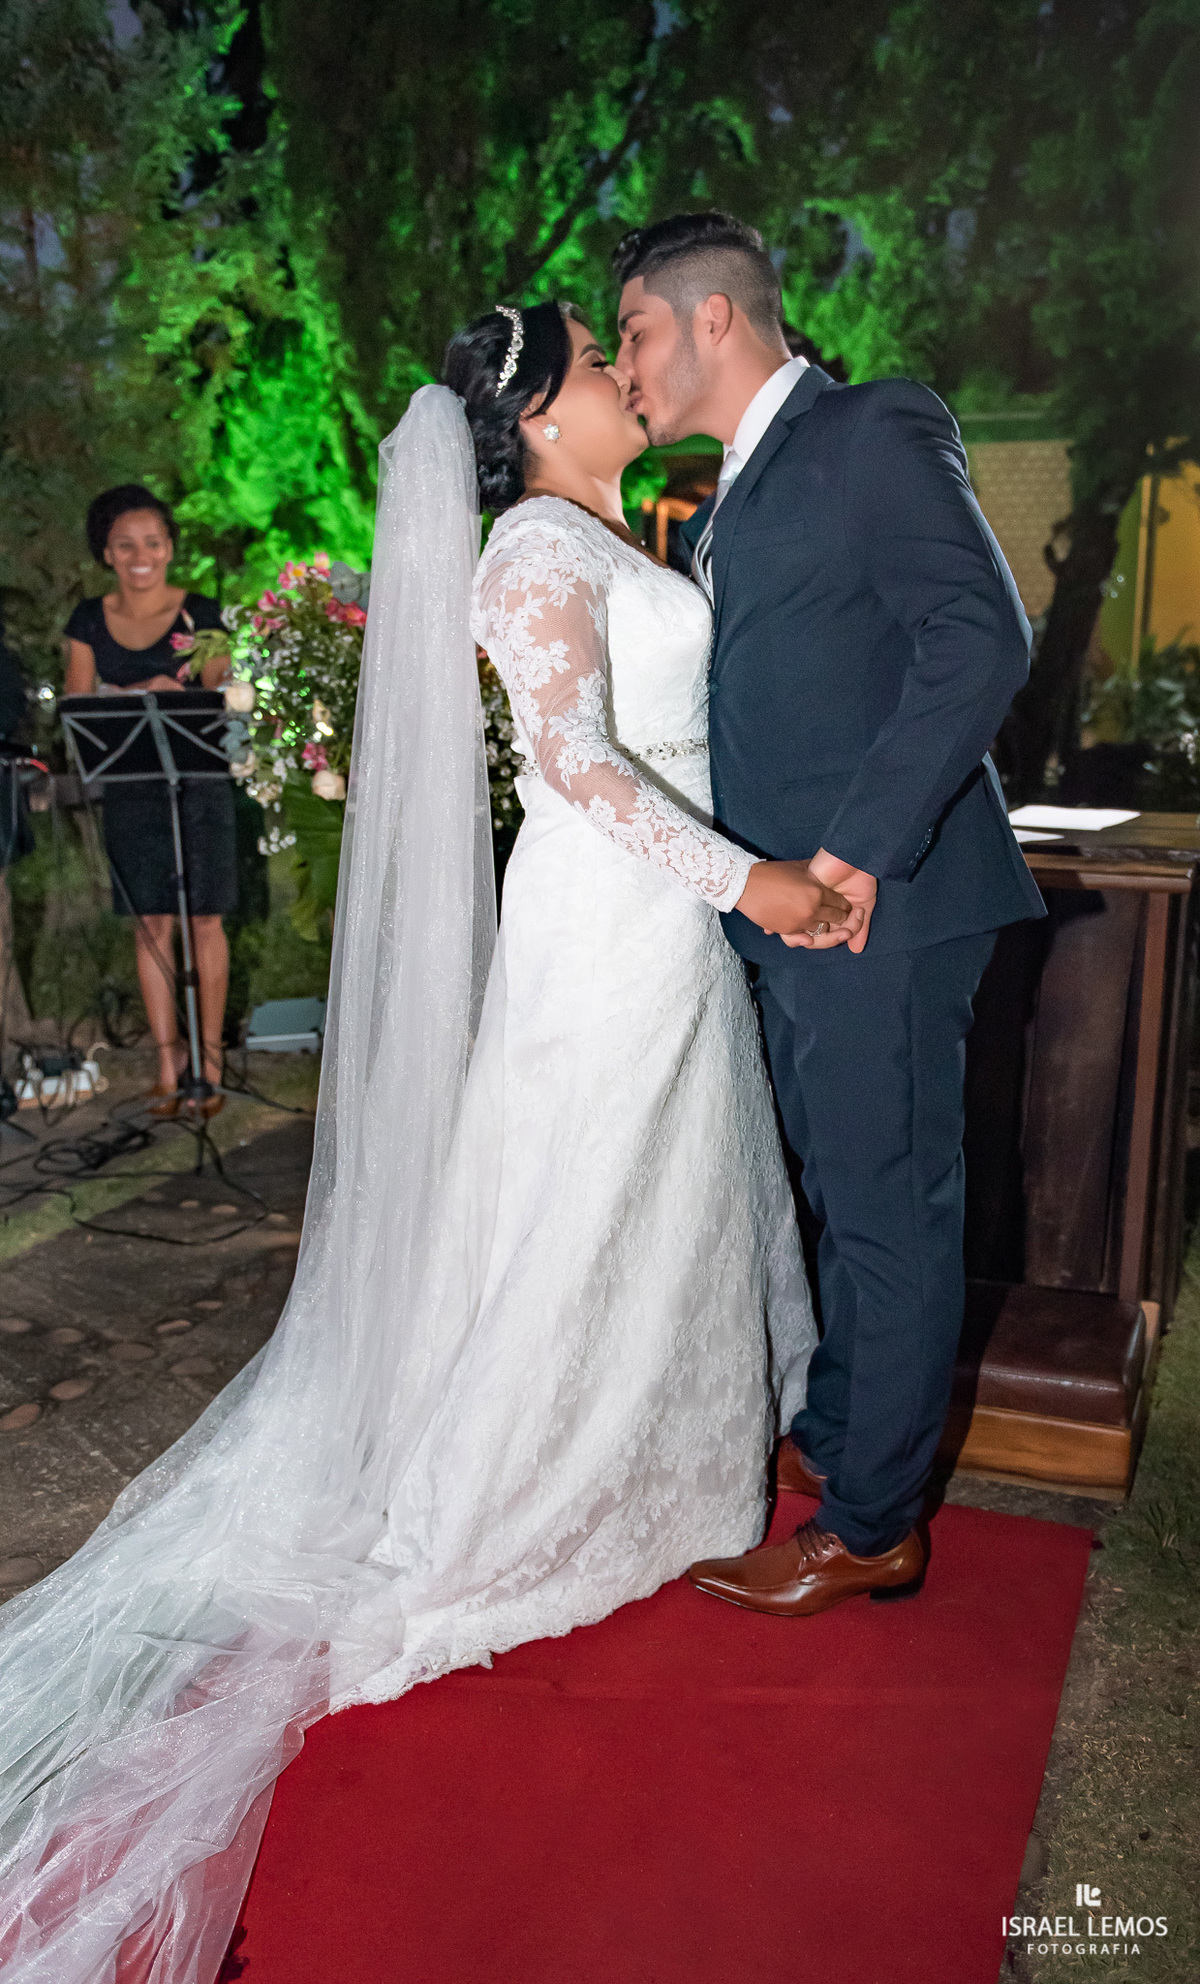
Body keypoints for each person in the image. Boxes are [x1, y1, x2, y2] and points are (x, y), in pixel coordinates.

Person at [0, 302, 851, 1976]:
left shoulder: (618, 528)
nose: (630, 378)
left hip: (666, 924)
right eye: (603, 367)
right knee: (569, 1208)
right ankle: (516, 1496)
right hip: (607, 922)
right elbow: (577, 762)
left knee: (649, 1206)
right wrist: (742, 875)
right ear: (541, 416)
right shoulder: (531, 551)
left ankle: (661, 1462)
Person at [614, 212, 1045, 1616]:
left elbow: (981, 632)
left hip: (887, 906)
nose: (622, 363)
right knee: (842, 1198)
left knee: (889, 1212)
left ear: (712, 319)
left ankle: (871, 1528)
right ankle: (851, 1441)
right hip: (798, 915)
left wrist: (856, 856)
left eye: (632, 331)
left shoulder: (869, 428)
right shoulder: (731, 486)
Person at [63, 485, 234, 1115]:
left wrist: (179, 685)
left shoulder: (203, 614)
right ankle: (168, 1064)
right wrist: (123, 698)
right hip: (132, 791)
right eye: (126, 544)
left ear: (169, 549)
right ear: (106, 552)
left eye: (153, 543)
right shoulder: (87, 620)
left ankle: (209, 1067)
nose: (142, 556)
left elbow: (220, 689)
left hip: (199, 786)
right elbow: (77, 707)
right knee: (152, 924)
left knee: (204, 919)